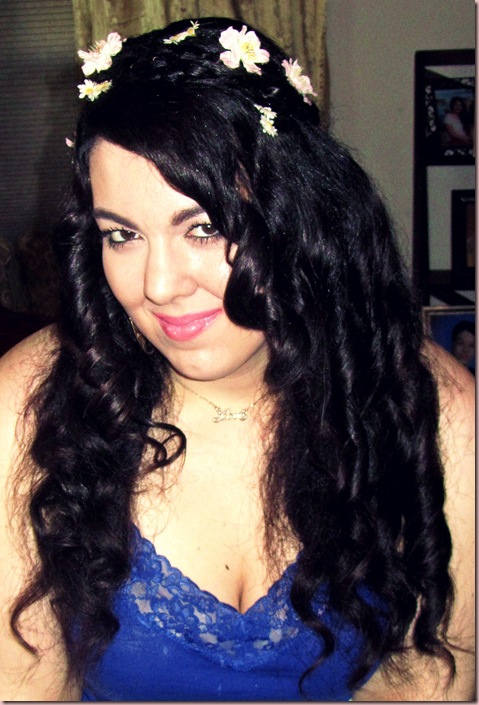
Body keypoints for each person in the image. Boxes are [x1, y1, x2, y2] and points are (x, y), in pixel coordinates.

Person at [0, 17, 474, 701]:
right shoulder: (27, 406)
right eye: (122, 235)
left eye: (204, 226)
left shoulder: (427, 405)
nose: (158, 285)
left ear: (298, 213)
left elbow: (427, 684)